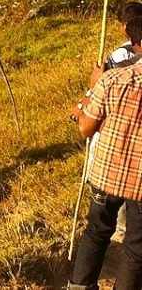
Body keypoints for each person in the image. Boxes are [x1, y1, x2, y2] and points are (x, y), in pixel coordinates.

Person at [70, 17, 142, 289]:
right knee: (136, 246)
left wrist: (93, 87)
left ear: (135, 44)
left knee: (96, 231)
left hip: (107, 172)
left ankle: (80, 285)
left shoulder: (112, 78)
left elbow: (86, 128)